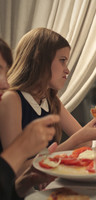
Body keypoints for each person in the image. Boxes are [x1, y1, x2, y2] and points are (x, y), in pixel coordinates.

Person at [0, 28, 96, 175]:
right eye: (62, 60)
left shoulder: (50, 98)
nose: (67, 70)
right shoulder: (11, 99)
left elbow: (84, 142)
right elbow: (15, 171)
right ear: (40, 60)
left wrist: (95, 133)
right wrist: (74, 141)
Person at [0, 37, 59, 199]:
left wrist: (24, 184)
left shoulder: (50, 100)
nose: (5, 84)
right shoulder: (13, 99)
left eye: (5, 72)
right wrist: (22, 146)